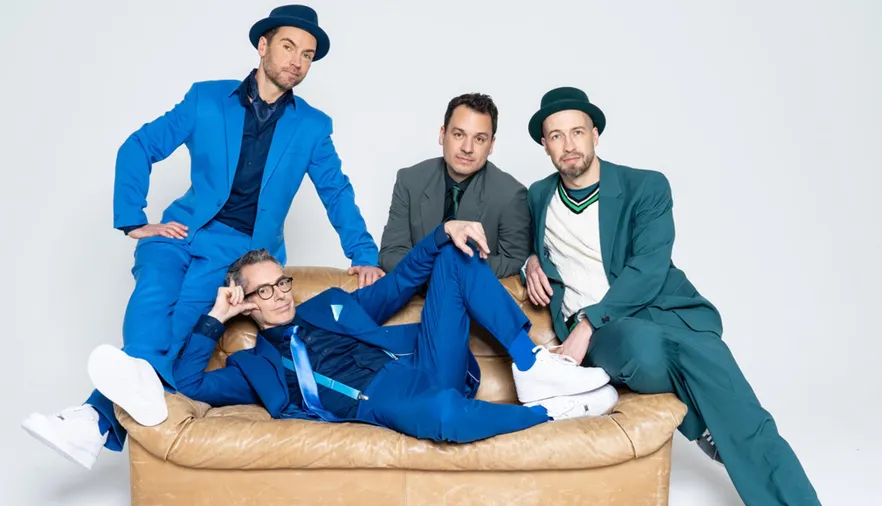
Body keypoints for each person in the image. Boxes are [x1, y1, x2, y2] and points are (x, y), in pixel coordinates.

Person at [21, 5, 383, 470]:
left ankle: (92, 421)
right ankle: (95, 421)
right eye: (289, 46)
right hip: (181, 230)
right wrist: (134, 220)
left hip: (239, 249)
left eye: (308, 55)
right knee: (152, 293)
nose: (297, 61)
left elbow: (336, 191)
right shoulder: (206, 99)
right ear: (263, 46)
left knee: (181, 324)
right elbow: (140, 145)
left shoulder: (312, 127)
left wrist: (363, 253)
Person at [522, 86, 820, 506]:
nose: (568, 145)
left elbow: (648, 268)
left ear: (595, 135)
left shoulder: (645, 186)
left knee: (744, 414)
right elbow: (510, 241)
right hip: (615, 335)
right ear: (545, 144)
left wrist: (587, 324)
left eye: (577, 132)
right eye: (556, 135)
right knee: (642, 349)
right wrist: (531, 260)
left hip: (663, 313)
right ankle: (704, 424)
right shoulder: (538, 196)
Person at [91, 220, 619, 443]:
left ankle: (529, 365)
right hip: (378, 402)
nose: (280, 295)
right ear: (245, 303)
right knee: (441, 415)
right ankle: (553, 413)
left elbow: (403, 282)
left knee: (455, 256)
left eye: (281, 283)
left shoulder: (330, 305)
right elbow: (189, 382)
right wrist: (216, 316)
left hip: (422, 365)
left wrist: (444, 230)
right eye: (264, 291)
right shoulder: (252, 366)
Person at [379, 93, 531, 278]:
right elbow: (390, 254)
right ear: (442, 135)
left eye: (479, 139)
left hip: (470, 294)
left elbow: (514, 261)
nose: (467, 148)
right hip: (416, 292)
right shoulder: (409, 180)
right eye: (459, 134)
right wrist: (435, 272)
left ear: (491, 145)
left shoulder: (511, 194)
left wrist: (451, 270)